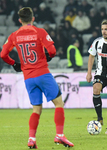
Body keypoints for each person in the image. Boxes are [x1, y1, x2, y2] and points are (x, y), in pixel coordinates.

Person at [0, 7, 74, 148]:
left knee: (36, 110)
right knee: (59, 103)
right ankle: (59, 135)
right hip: (42, 73)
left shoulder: (14, 35)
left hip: (28, 78)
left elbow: (3, 54)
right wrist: (49, 56)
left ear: (19, 20)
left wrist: (14, 64)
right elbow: (52, 50)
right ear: (33, 18)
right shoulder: (40, 32)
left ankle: (32, 139)